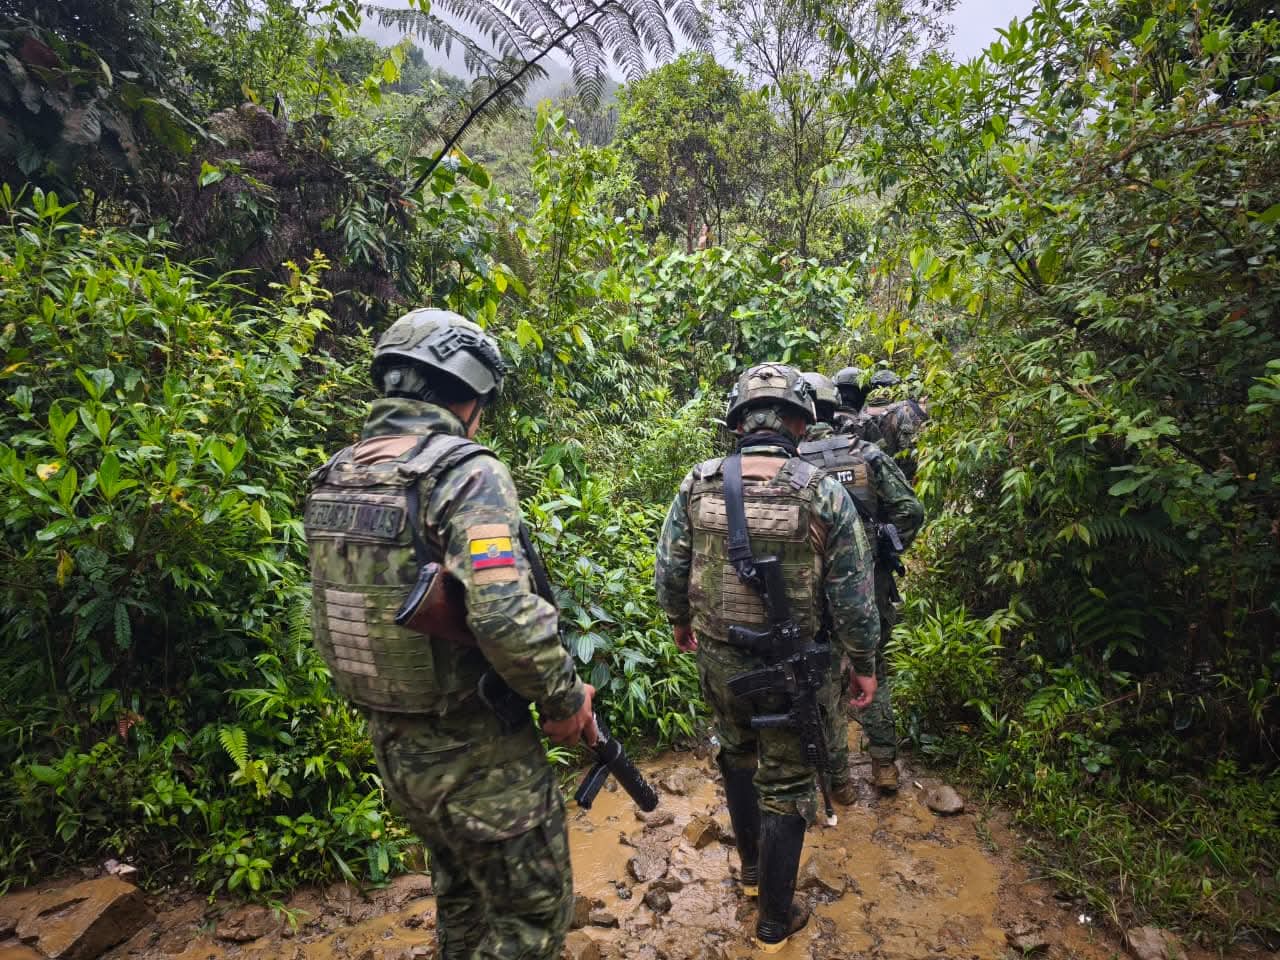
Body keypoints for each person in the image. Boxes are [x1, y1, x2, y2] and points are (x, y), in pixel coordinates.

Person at [304, 308, 596, 960]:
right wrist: (564, 700)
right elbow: (502, 616)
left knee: (461, 900)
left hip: (398, 758)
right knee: (533, 924)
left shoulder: (335, 475)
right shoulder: (465, 472)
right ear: (467, 393)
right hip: (480, 760)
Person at [655, 363, 880, 952]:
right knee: (786, 779)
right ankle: (775, 921)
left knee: (735, 755)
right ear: (800, 423)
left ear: (738, 422)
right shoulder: (820, 492)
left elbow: (669, 568)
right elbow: (853, 592)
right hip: (791, 665)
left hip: (720, 662)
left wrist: (681, 622)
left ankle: (753, 873)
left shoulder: (697, 482)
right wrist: (863, 663)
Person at [799, 372, 925, 793]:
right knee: (875, 670)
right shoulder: (867, 454)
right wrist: (881, 549)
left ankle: (838, 783)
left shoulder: (791, 466)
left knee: (824, 683)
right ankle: (884, 766)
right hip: (870, 586)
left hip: (811, 594)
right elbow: (910, 510)